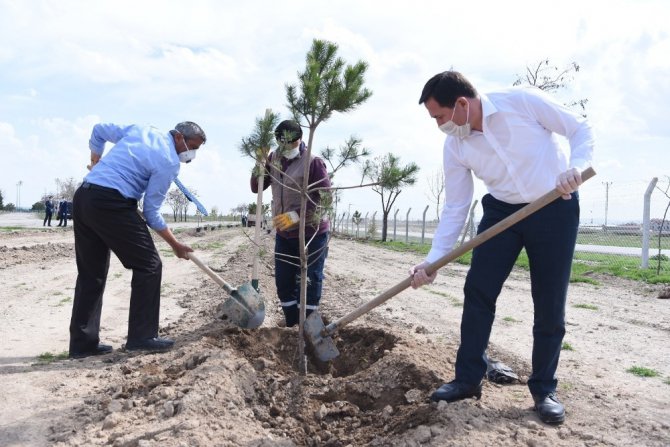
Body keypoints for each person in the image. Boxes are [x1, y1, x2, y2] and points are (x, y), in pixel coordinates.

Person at [410, 71, 594, 425]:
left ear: (462, 104)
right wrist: (432, 261)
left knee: (549, 300)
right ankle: (467, 379)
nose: (439, 126)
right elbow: (456, 206)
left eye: (440, 117)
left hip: (554, 204)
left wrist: (576, 166)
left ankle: (543, 389)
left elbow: (579, 127)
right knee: (478, 289)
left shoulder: (521, 101)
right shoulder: (456, 146)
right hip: (501, 211)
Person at [68, 121, 206, 359]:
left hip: (84, 197)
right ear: (179, 138)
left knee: (92, 273)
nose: (190, 155)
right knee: (149, 265)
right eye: (191, 147)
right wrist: (175, 245)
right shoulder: (169, 162)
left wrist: (95, 160)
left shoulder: (143, 129)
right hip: (112, 203)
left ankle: (82, 344)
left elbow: (98, 130)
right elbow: (151, 212)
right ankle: (142, 337)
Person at [250, 120, 331, 327]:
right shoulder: (273, 159)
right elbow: (256, 187)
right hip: (285, 234)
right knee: (284, 282)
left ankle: (308, 328)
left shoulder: (313, 162)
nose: (286, 150)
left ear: (299, 140)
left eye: (290, 145)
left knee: (310, 282)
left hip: (312, 234)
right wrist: (258, 164)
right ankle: (292, 327)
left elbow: (325, 199)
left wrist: (295, 217)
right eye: (282, 145)